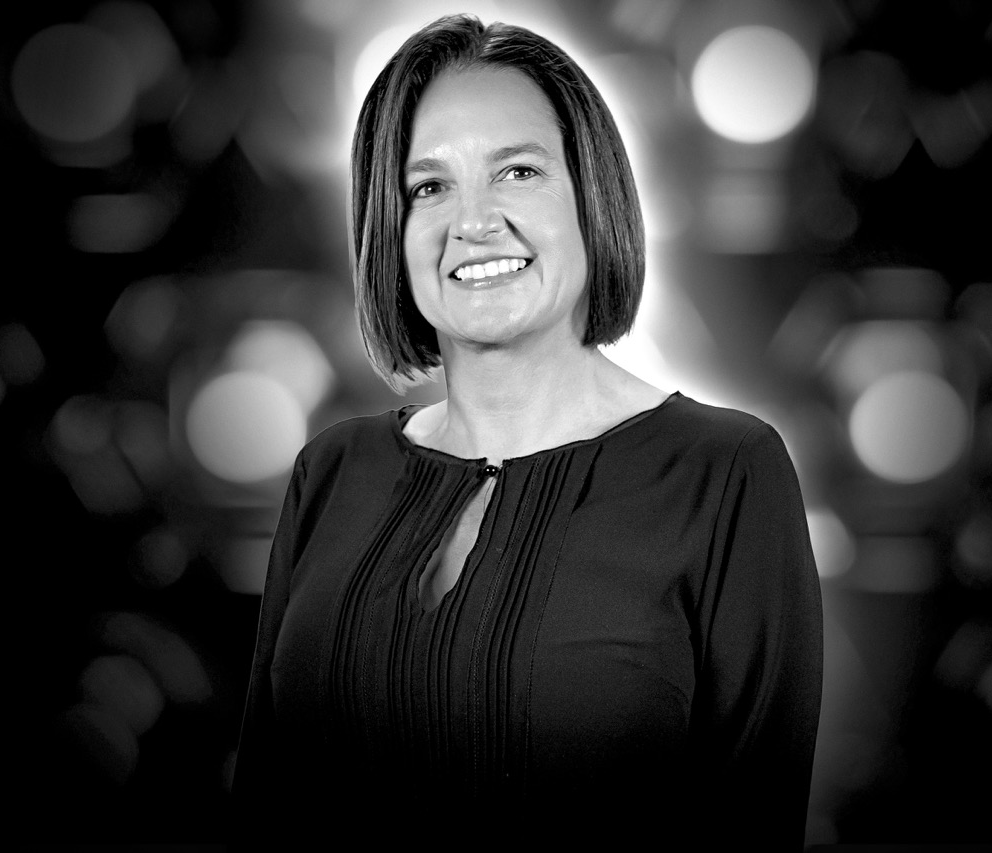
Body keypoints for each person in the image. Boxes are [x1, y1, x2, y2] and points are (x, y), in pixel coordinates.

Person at [235, 13, 822, 847]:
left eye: (516, 171)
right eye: (428, 186)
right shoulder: (329, 471)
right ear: (387, 232)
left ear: (594, 195)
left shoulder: (727, 473)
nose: (472, 221)